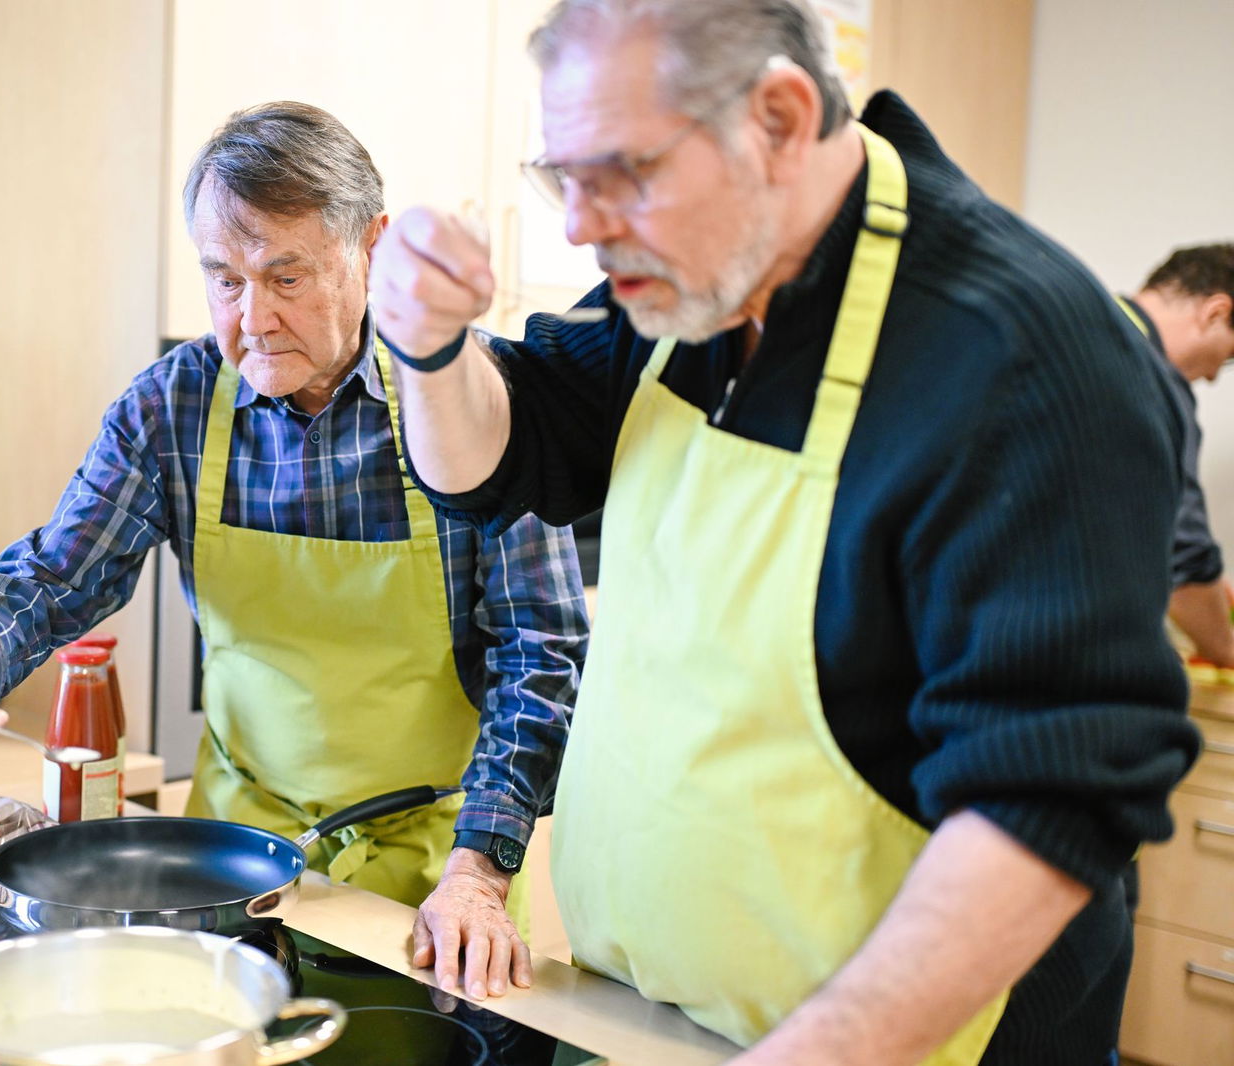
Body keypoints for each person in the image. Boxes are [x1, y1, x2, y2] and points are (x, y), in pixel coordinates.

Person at [366, 1, 1200, 1063]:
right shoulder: (679, 292)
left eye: (620, 174)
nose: (579, 223)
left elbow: (1048, 795)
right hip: (644, 1012)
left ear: (778, 116)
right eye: (561, 177)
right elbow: (497, 458)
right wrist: (428, 349)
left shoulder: (1020, 353)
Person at [0, 101, 588, 1001]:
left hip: (436, 881)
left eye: (284, 276)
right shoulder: (175, 405)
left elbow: (544, 651)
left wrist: (478, 874)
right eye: (223, 279)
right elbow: (58, 574)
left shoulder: (467, 393)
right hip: (231, 866)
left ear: (369, 247)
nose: (250, 317)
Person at [1118, 243, 1234, 668]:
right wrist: (1225, 648)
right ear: (1216, 312)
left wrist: (1211, 584)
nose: (1212, 375)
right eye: (1229, 357)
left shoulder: (1083, 324)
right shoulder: (1149, 375)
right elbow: (1180, 547)